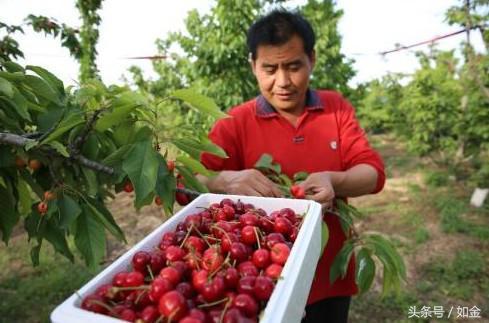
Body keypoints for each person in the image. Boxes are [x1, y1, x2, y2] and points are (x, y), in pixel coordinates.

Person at [197, 9, 385, 323]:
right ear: (253, 65)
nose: (282, 81)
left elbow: (372, 173)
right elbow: (191, 178)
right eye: (269, 68)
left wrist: (333, 181)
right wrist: (223, 181)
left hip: (329, 276)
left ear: (311, 58)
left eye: (294, 66)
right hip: (263, 278)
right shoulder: (235, 122)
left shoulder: (334, 107)